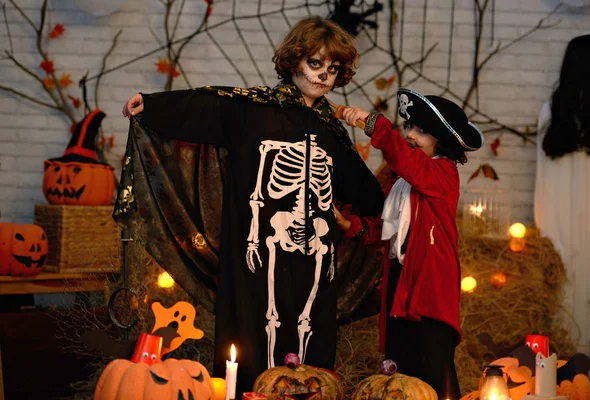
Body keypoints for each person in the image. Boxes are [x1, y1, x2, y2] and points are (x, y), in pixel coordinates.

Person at [121, 16, 384, 396]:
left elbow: (364, 192)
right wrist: (152, 106)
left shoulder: (332, 130)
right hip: (258, 250)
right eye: (315, 64)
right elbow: (203, 107)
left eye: (333, 69)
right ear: (294, 61)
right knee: (251, 335)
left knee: (312, 347)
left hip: (315, 257)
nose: (323, 76)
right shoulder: (252, 110)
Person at [340, 88, 484, 399]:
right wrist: (352, 226)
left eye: (421, 131)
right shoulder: (401, 181)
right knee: (399, 363)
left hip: (429, 284)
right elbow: (387, 230)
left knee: (433, 361)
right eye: (409, 127)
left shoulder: (442, 174)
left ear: (441, 141)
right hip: (401, 281)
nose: (410, 135)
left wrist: (375, 125)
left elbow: (409, 162)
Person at [534, 34, 590, 357]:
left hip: (563, 226)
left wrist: (547, 229)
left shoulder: (552, 113)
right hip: (580, 228)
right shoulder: (554, 114)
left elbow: (544, 182)